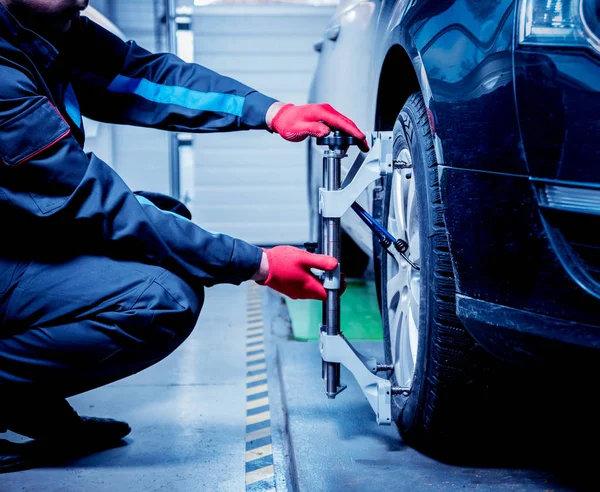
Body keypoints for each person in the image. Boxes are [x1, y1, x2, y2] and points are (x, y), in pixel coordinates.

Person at [0, 0, 369, 473]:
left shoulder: (46, 29)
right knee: (163, 299)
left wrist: (274, 112)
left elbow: (144, 76)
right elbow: (98, 203)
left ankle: (31, 403)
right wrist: (258, 264)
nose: (83, 0)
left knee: (170, 221)